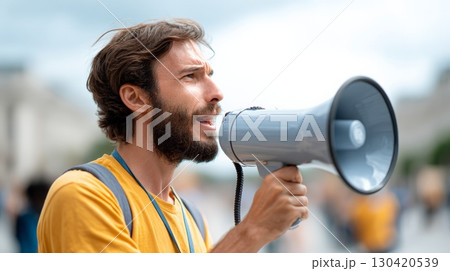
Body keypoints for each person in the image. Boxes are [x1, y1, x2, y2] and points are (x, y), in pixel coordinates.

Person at [37, 18, 308, 253]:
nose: (217, 92)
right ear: (136, 98)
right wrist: (252, 231)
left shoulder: (193, 218)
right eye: (191, 76)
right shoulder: (83, 195)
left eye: (210, 75)